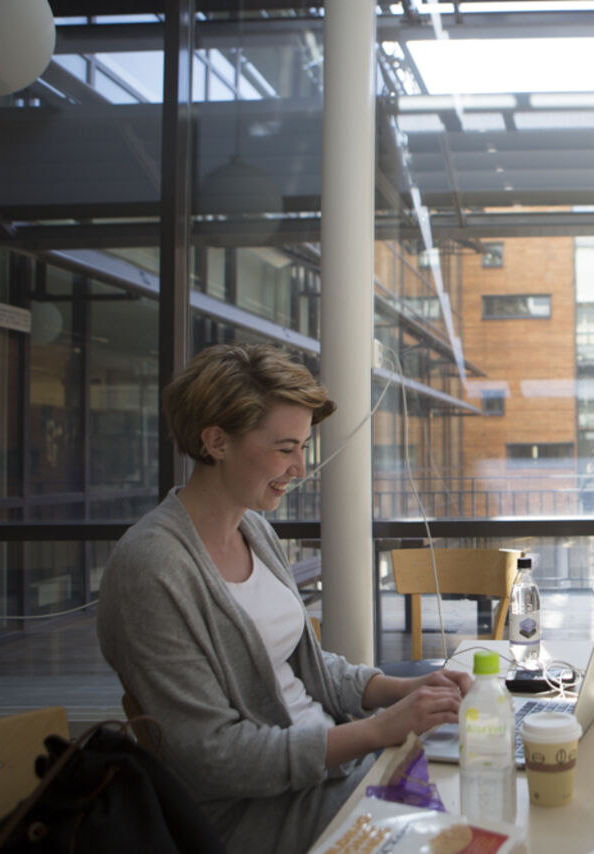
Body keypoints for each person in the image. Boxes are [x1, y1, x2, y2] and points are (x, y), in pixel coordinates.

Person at [97, 343, 471, 854]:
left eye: (304, 448)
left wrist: (403, 689)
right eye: (284, 448)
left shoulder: (254, 529)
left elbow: (308, 672)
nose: (300, 468)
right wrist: (378, 731)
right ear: (216, 441)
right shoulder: (151, 568)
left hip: (329, 773)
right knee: (468, 818)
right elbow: (213, 757)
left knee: (481, 781)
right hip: (256, 814)